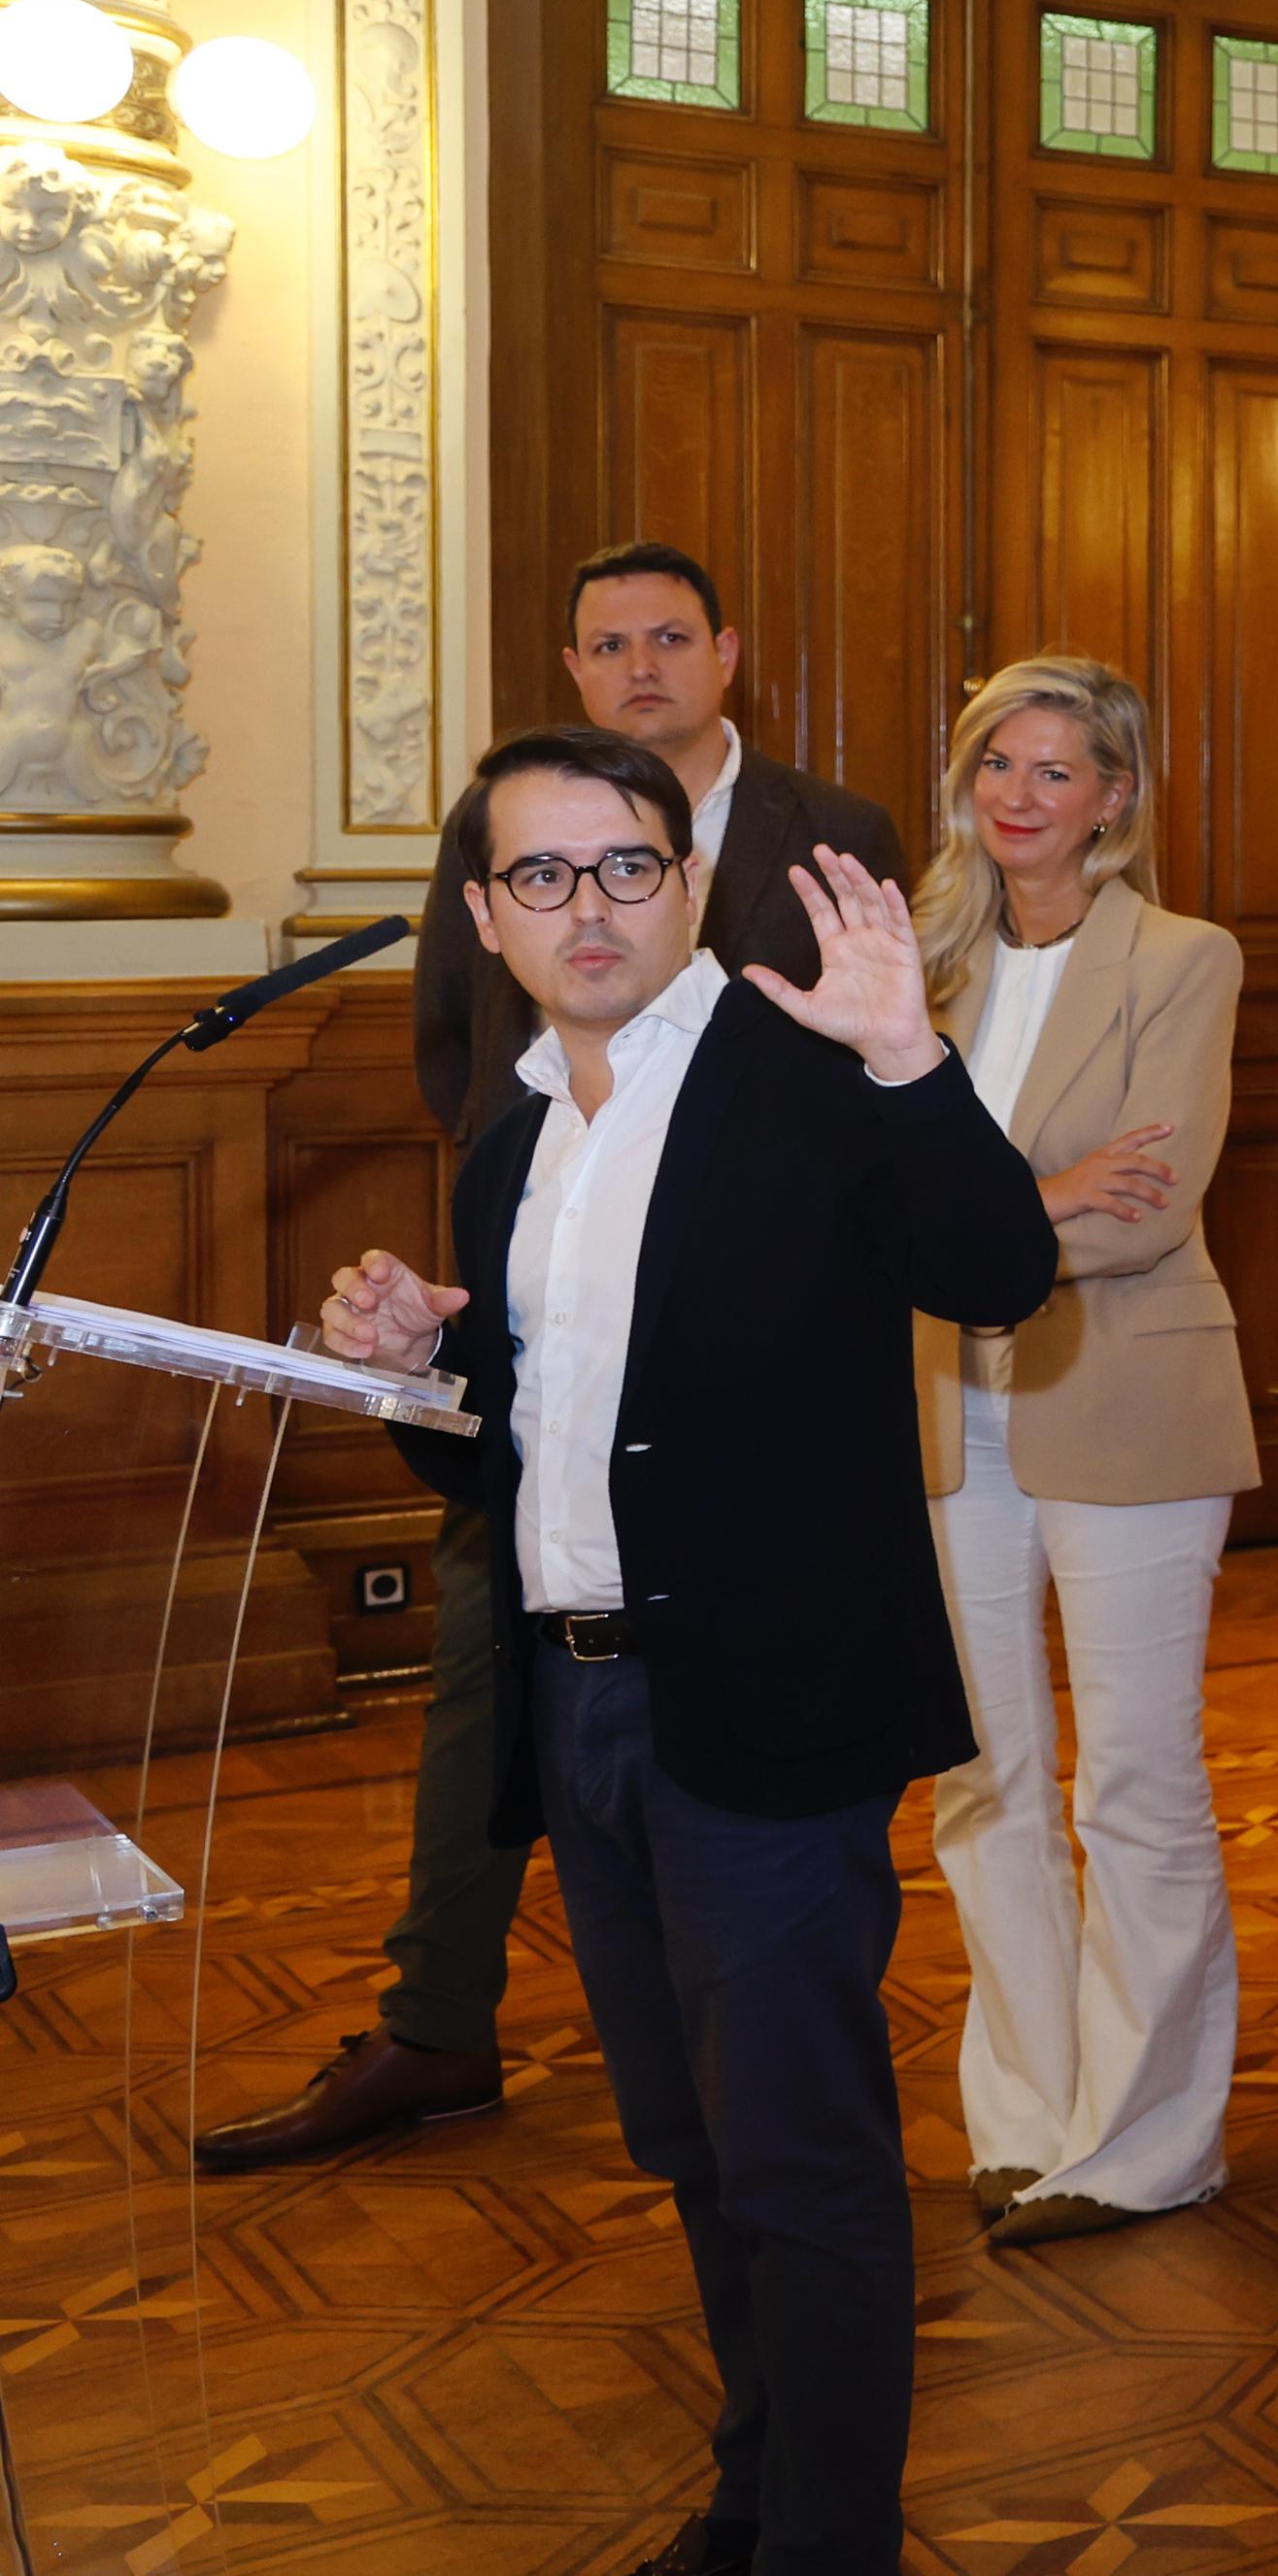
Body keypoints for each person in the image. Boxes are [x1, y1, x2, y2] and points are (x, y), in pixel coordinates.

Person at [318, 719, 1052, 2576]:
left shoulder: (804, 1074)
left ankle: (830, 2544)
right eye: (542, 873)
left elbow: (999, 1270)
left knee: (801, 2160)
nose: (590, 906)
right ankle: (754, 2500)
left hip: (763, 1708)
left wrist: (909, 1054)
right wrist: (419, 1364)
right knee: (695, 2146)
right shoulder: (512, 1144)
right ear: (486, 912)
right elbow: (517, 1443)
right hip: (578, 1711)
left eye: (627, 865)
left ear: (690, 883)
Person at [207, 543, 908, 2175]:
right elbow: (462, 1052)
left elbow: (874, 1118)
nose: (640, 665)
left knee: (767, 2024)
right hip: (541, 1320)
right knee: (495, 1689)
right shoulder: (503, 833)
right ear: (574, 664)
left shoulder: (830, 829)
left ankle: (747, 2087)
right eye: (608, 642)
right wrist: (527, 1231)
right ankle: (438, 2014)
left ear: (728, 654)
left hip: (742, 1415)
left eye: (671, 636)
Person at [903, 657, 1257, 2249]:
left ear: (1115, 795)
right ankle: (1030, 2113)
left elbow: (1151, 1210)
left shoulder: (1183, 957)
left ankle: (1150, 2137)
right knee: (981, 1778)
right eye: (998, 763)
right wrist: (1041, 1195)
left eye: (1057, 768)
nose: (1021, 793)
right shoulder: (921, 965)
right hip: (947, 1408)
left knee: (1134, 1780)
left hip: (1129, 1401)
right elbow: (875, 1194)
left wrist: (964, 1219)